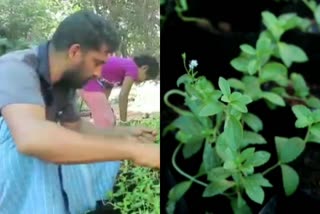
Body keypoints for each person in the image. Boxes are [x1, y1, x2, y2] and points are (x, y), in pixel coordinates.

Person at [0, 10, 160, 214]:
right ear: (75, 52)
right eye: (97, 63)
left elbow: (75, 126)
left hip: (34, 141)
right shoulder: (17, 67)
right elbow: (32, 138)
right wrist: (132, 151)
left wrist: (125, 134)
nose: (99, 73)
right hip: (14, 156)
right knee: (43, 149)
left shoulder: (64, 81)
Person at [80, 54, 159, 128]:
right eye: (146, 78)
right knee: (107, 120)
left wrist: (103, 106)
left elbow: (108, 86)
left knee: (107, 117)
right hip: (85, 77)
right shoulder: (133, 68)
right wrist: (123, 122)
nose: (143, 81)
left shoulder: (121, 70)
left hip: (85, 77)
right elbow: (123, 95)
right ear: (144, 68)